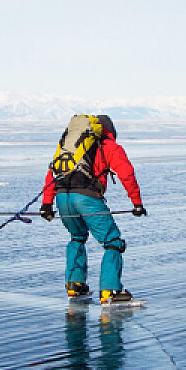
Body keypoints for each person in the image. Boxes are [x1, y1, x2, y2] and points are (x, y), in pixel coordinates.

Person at [40, 114, 145, 303]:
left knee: (77, 237)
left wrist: (46, 204)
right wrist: (137, 203)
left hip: (62, 198)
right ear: (110, 131)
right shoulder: (109, 146)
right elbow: (126, 174)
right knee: (113, 241)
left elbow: (53, 174)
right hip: (86, 198)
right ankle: (110, 291)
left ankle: (75, 285)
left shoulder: (70, 148)